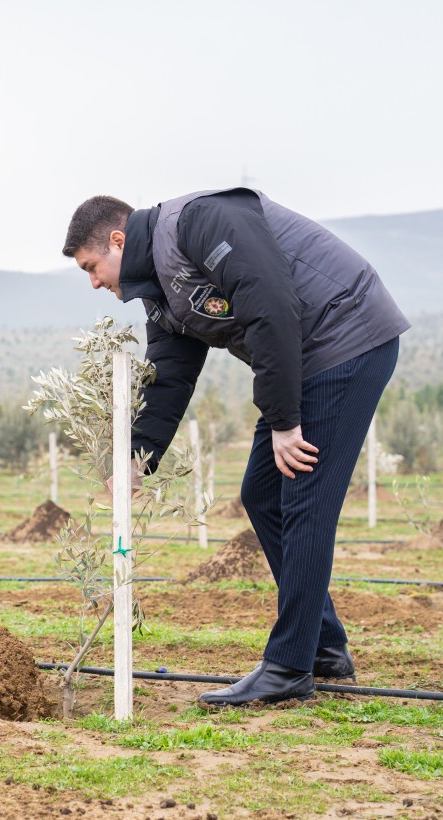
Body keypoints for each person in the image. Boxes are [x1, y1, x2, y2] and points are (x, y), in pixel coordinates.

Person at [62, 187, 410, 705]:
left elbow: (271, 306)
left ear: (117, 240)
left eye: (92, 267)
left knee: (303, 498)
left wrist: (285, 422)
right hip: (306, 358)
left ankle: (290, 667)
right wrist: (137, 460)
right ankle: (323, 646)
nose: (93, 282)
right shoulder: (160, 287)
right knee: (262, 493)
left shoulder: (198, 223)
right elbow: (171, 376)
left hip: (345, 336)